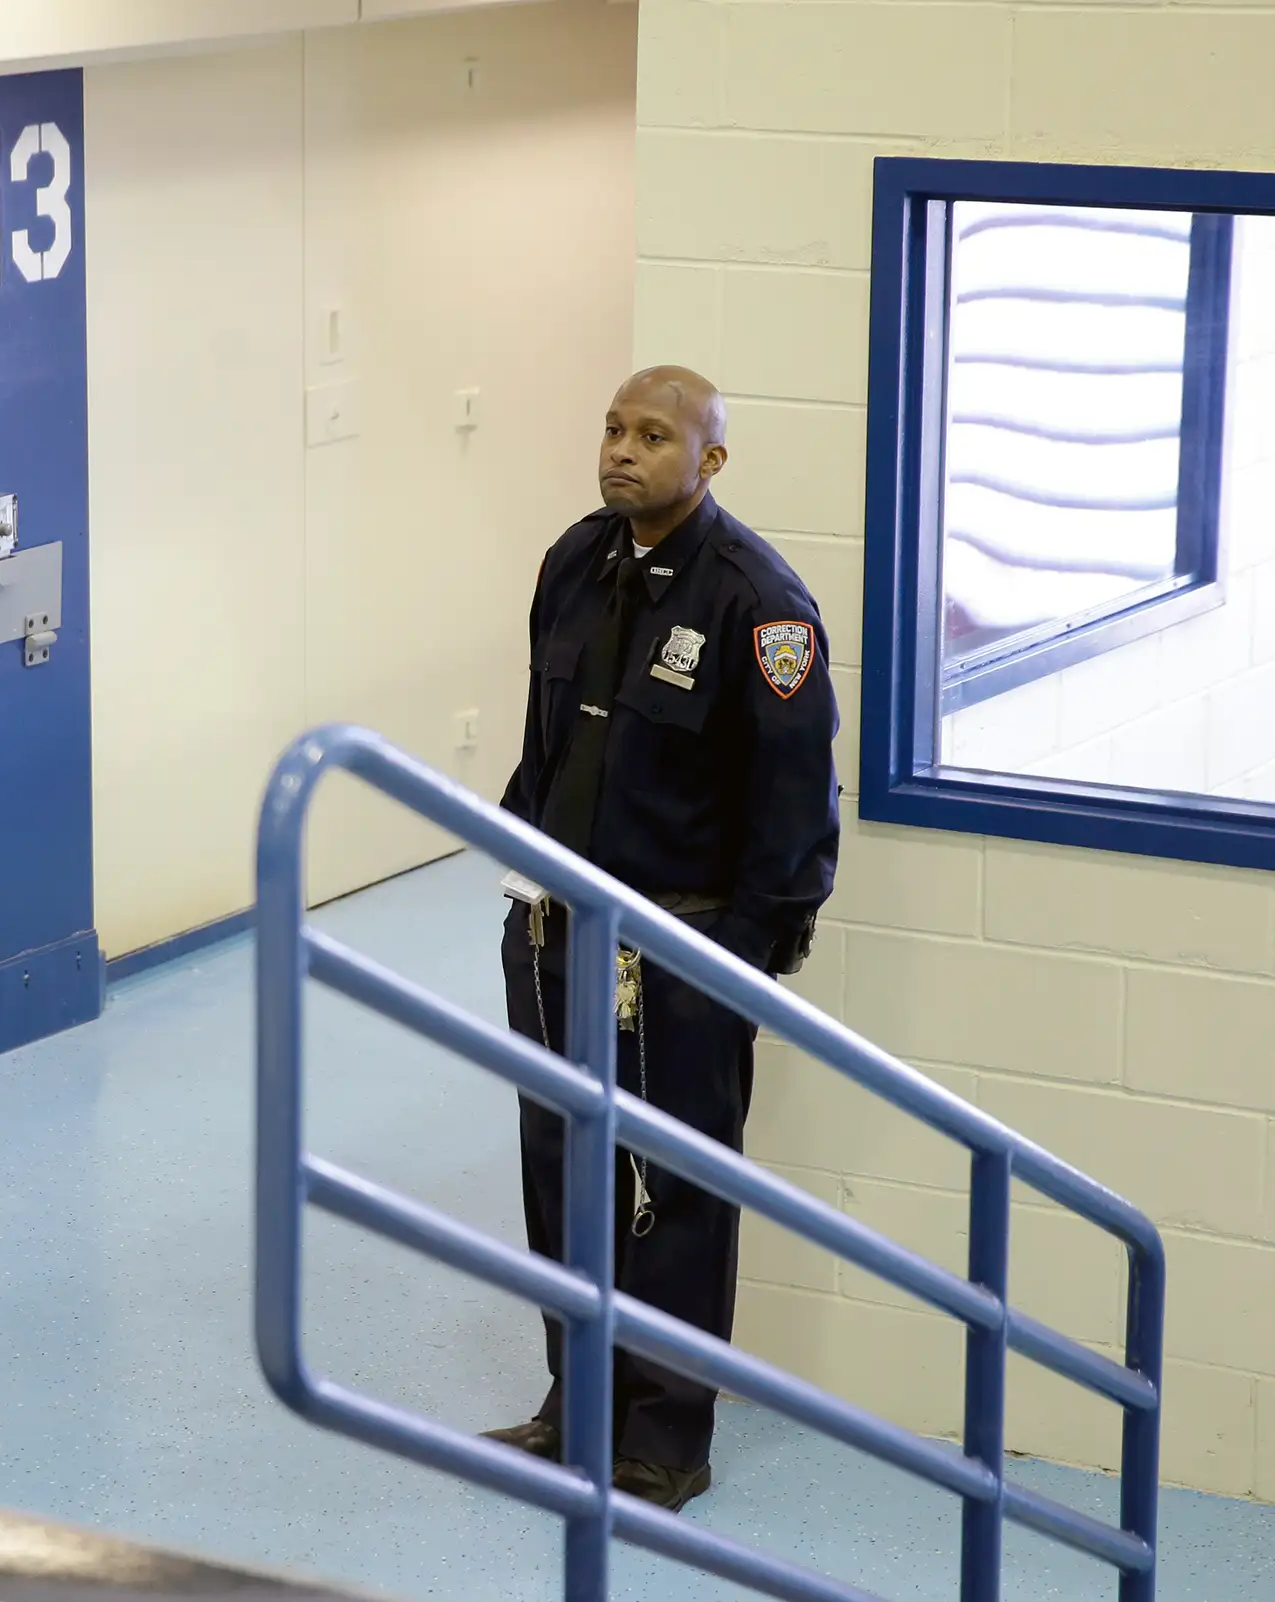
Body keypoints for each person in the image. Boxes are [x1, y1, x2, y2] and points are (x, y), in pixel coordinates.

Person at [483, 366, 840, 1511]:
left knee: (673, 1200)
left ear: (710, 460)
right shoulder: (573, 564)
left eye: (652, 435)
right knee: (562, 1177)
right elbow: (547, 744)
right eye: (613, 428)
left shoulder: (760, 604)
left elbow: (794, 811)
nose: (623, 451)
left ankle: (662, 1442)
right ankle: (574, 1407)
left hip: (677, 956)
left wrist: (738, 961)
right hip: (553, 939)